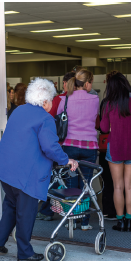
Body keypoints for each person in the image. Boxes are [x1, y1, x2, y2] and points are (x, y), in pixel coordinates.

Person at [0, 78, 78, 261]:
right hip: (25, 173)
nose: (52, 103)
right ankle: (25, 253)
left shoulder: (19, 110)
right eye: (51, 99)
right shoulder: (46, 118)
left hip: (5, 169)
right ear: (45, 101)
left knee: (11, 206)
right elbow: (50, 147)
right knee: (26, 212)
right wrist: (66, 160)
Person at [100, 71, 131, 232]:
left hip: (115, 149)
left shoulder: (109, 103)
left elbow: (104, 128)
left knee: (118, 187)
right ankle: (129, 221)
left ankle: (120, 222)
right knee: (130, 186)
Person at [56, 69, 99, 230]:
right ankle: (85, 222)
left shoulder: (66, 99)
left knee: (71, 185)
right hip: (89, 147)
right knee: (86, 184)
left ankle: (71, 221)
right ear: (87, 83)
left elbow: (60, 117)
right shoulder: (95, 99)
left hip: (70, 147)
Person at [36, 71, 77, 221]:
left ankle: (47, 211)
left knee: (54, 178)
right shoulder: (86, 98)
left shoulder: (60, 99)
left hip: (58, 144)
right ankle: (74, 212)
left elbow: (48, 118)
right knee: (73, 181)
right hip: (79, 144)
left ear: (65, 83)